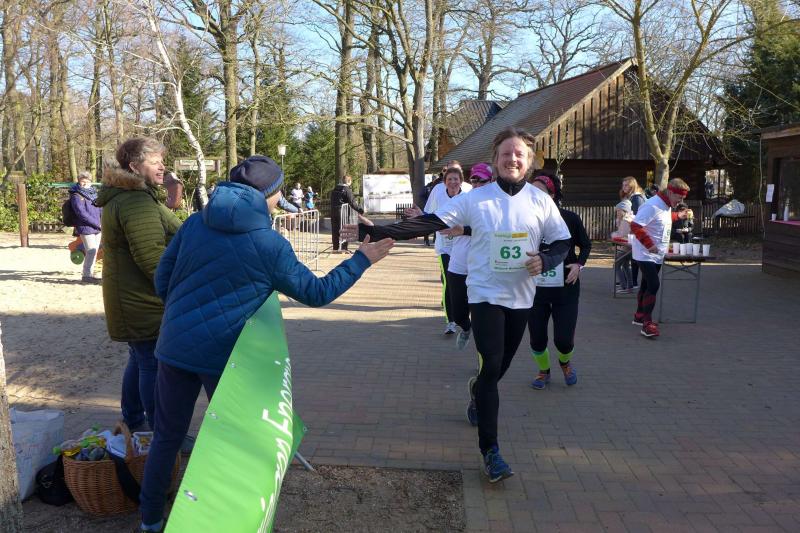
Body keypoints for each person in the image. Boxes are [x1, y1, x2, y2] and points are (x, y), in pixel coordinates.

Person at [138, 156, 393, 532]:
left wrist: (182, 314)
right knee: (236, 441)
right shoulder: (269, 243)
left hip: (174, 347)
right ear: (269, 195)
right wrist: (360, 261)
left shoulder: (195, 223)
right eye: (278, 193)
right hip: (227, 358)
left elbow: (163, 280)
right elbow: (317, 292)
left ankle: (150, 521)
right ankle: (229, 520)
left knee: (166, 438)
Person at [351, 128, 571, 483]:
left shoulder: (540, 201)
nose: (512, 159)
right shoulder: (476, 199)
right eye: (506, 153)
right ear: (495, 158)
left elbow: (561, 242)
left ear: (529, 161)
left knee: (496, 371)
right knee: (492, 365)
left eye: (519, 154)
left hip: (521, 298)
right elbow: (431, 222)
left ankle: (477, 391)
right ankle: (491, 451)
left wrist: (545, 259)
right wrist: (377, 230)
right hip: (483, 295)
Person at [95, 137, 182, 434]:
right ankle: (159, 433)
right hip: (141, 300)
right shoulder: (134, 201)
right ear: (134, 166)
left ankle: (133, 420)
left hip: (132, 297)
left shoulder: (133, 196)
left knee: (140, 358)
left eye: (162, 160)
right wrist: (177, 290)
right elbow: (152, 258)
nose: (162, 166)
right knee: (151, 364)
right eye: (154, 161)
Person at [527, 172, 591, 390]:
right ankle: (543, 371)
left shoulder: (569, 218)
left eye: (540, 192)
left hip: (566, 287)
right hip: (535, 289)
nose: (534, 196)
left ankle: (565, 363)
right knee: (537, 338)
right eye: (531, 191)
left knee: (563, 340)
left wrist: (579, 264)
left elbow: (586, 245)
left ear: (552, 195)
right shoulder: (524, 219)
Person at [630, 177, 691, 338]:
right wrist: (649, 244)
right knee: (654, 284)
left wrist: (678, 216)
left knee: (646, 284)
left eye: (683, 198)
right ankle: (647, 324)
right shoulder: (652, 205)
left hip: (657, 253)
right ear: (670, 192)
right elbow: (635, 225)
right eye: (679, 197)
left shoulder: (667, 205)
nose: (681, 201)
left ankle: (639, 316)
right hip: (645, 253)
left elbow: (662, 220)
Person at [445, 162, 494, 352]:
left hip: (483, 267)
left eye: (482, 181)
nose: (477, 185)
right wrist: (423, 217)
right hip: (458, 265)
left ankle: (486, 358)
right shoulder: (462, 201)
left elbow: (492, 230)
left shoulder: (497, 204)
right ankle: (466, 328)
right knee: (458, 314)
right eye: (474, 180)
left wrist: (464, 230)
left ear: (491, 181)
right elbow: (442, 220)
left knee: (483, 316)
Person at [70, 171, 102, 283]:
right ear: (79, 182)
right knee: (91, 250)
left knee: (95, 250)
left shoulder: (94, 194)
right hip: (85, 227)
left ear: (90, 182)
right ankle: (86, 275)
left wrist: (102, 221)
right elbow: (81, 213)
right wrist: (96, 223)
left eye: (87, 182)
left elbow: (100, 208)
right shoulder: (76, 195)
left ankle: (90, 274)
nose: (84, 184)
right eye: (82, 181)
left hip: (98, 227)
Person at [620, 176, 646, 289]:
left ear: (632, 186)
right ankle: (628, 280)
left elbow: (637, 216)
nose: (624, 187)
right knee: (630, 257)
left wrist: (627, 218)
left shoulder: (637, 198)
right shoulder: (631, 197)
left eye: (626, 185)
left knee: (633, 257)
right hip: (631, 230)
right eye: (623, 185)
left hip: (636, 231)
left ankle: (632, 281)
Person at [330, 175, 364, 252]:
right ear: (349, 181)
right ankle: (343, 248)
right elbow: (352, 202)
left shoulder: (335, 189)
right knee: (345, 229)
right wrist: (360, 210)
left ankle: (335, 248)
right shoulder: (346, 190)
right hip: (342, 212)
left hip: (333, 212)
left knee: (335, 230)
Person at [611, 198, 634, 293]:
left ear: (624, 211)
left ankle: (623, 286)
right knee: (625, 266)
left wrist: (613, 235)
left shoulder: (625, 221)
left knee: (616, 265)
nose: (617, 213)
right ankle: (630, 286)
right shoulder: (626, 220)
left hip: (625, 248)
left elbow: (622, 235)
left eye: (618, 211)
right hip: (628, 247)